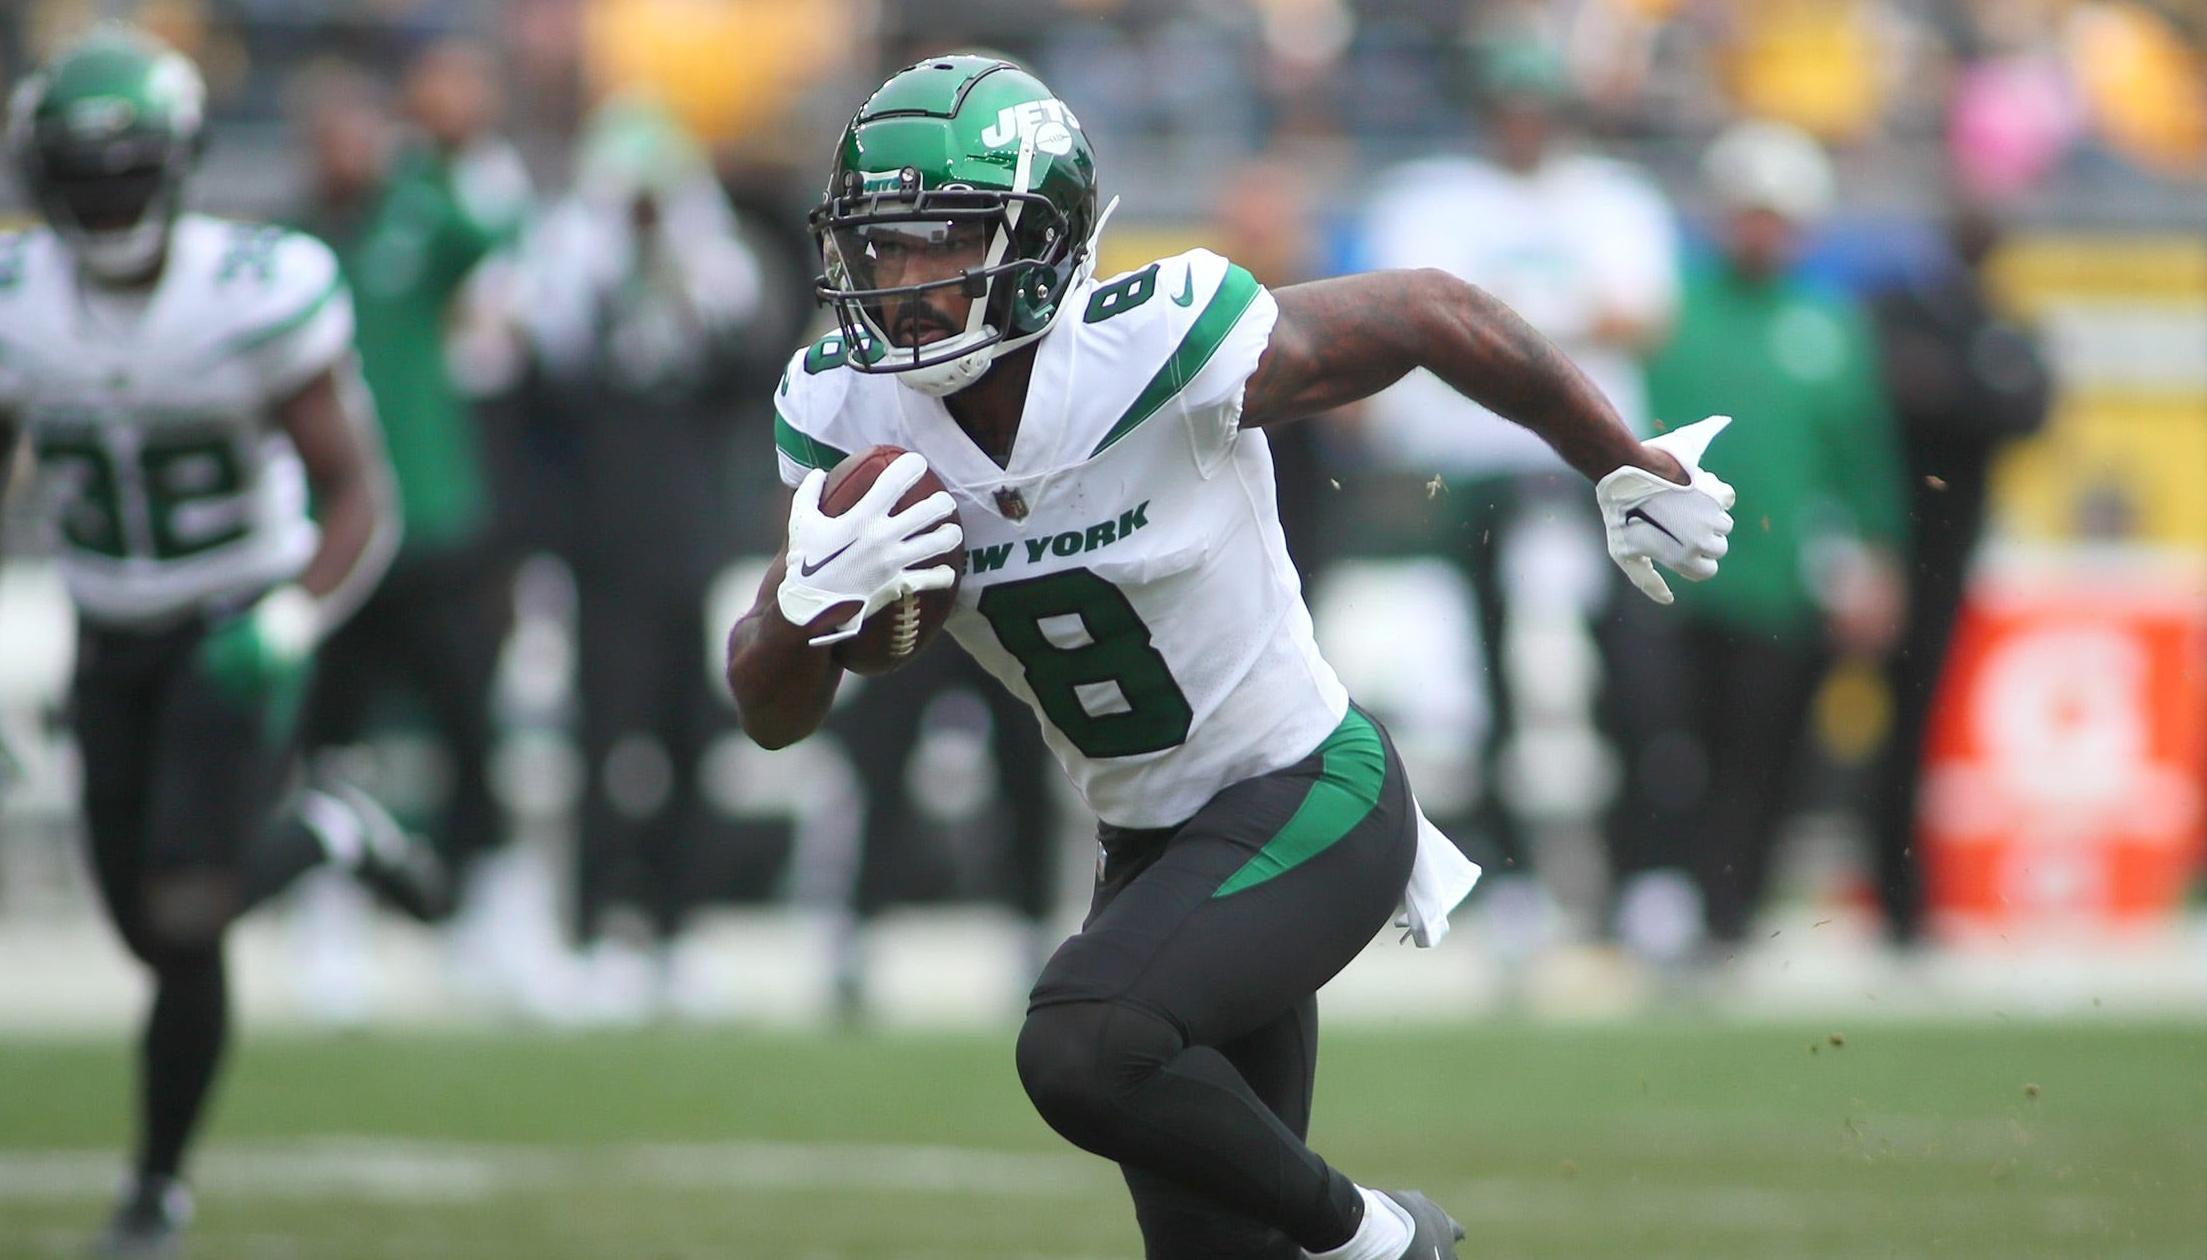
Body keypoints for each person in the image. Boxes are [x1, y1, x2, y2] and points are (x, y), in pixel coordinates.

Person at [725, 56, 1737, 1259]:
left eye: (939, 245)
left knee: (1079, 1040)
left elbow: (1426, 309)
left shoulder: (1152, 344)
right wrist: (801, 605)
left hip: (1308, 795)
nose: (900, 287)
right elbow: (768, 709)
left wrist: (1615, 459)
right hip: (1151, 851)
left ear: (1039, 238)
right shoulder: (848, 413)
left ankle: (1377, 1241)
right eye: (880, 248)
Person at [0, 29, 445, 1255]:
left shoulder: (252, 288)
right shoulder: (19, 304)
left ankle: (153, 1191)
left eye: (123, 168)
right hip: (107, 630)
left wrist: (288, 620)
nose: (102, 196)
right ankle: (330, 829)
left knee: (186, 914)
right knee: (141, 926)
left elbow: (359, 495)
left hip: (231, 621)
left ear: (181, 165)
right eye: (79, 172)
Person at [1354, 41, 1683, 951]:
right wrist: (1552, 319)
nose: (1524, 124)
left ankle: (1644, 875)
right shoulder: (1433, 199)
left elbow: (1643, 315)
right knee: (1482, 684)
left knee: (1636, 675)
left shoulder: (1614, 198)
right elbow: (1418, 326)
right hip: (1474, 468)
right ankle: (1510, 880)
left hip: (1599, 465)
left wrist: (1499, 325)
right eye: (1510, 106)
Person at [517, 95, 768, 1013]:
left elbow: (746, 362)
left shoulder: (711, 267)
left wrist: (683, 273)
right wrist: (607, 267)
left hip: (688, 543)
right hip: (600, 547)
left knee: (688, 740)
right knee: (602, 741)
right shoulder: (570, 263)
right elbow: (550, 377)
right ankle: (591, 928)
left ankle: (676, 925)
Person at [1641, 119, 1907, 951]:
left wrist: (1876, 557)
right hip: (1669, 575)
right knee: (1667, 743)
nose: (1762, 230)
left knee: (1764, 754)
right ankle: (1661, 897)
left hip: (1778, 577)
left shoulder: (1828, 324)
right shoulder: (1671, 308)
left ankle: (1735, 912)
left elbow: (1861, 455)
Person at [290, 52, 524, 890]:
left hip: (430, 514)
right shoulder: (293, 251)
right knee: (328, 734)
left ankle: (487, 903)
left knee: (470, 722)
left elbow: (493, 239)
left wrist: (434, 149)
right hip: (333, 534)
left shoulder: (413, 215)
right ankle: (330, 911)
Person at [1867, 201, 2048, 946]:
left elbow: (2027, 407)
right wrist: (1967, 390)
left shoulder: (1995, 321)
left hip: (1943, 553)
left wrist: (1951, 389)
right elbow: (1903, 391)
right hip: (1880, 537)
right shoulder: (1906, 311)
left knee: (1914, 723)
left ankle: (1901, 900)